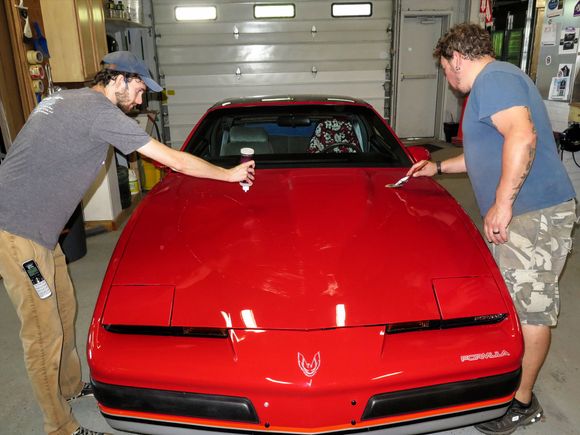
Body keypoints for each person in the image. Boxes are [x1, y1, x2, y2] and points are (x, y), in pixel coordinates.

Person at [0, 51, 254, 435]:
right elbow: (174, 161)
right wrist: (229, 174)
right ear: (117, 80)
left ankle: (69, 387)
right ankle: (59, 426)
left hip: (41, 230)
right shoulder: (97, 111)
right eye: (138, 90)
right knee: (42, 332)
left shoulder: (66, 98)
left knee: (64, 308)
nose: (140, 101)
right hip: (17, 233)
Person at [409, 23, 577, 435]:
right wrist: (439, 166)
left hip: (533, 214)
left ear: (457, 60)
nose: (448, 79)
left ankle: (521, 403)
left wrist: (503, 203)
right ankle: (504, 384)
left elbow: (522, 135)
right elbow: (488, 152)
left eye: (446, 69)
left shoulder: (494, 79)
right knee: (514, 303)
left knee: (530, 310)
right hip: (528, 212)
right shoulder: (498, 81)